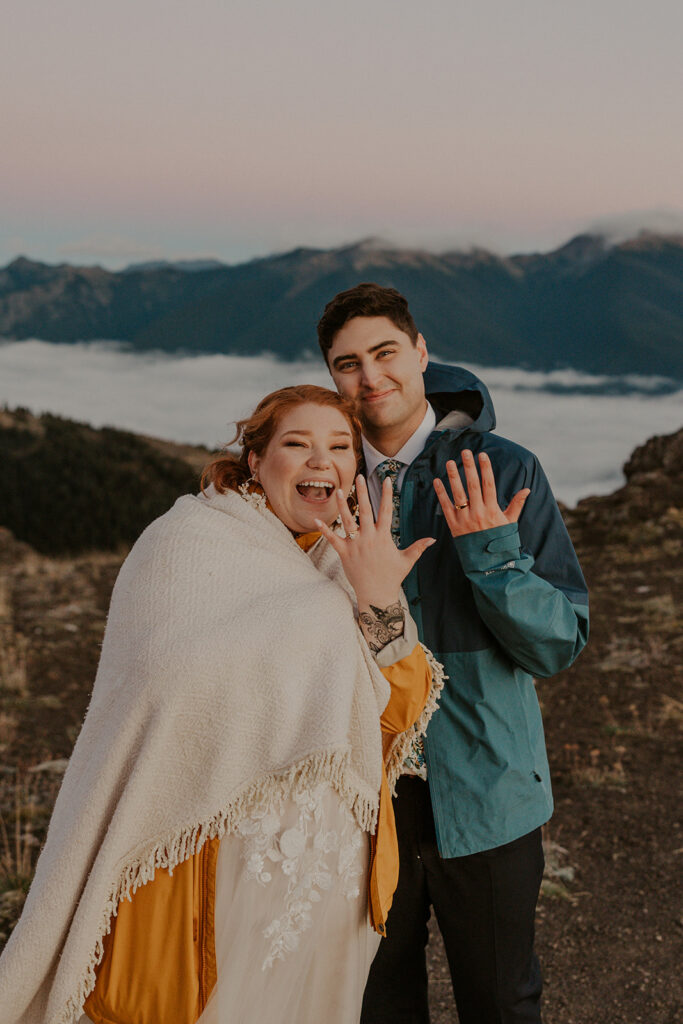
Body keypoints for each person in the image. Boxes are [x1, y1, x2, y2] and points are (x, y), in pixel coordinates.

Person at [0, 385, 445, 1024]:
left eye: (341, 447)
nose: (323, 460)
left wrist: (378, 600)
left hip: (324, 868)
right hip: (216, 849)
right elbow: (167, 680)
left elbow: (398, 711)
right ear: (256, 460)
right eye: (298, 444)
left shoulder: (344, 559)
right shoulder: (187, 540)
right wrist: (316, 623)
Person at [317, 285, 590, 1024]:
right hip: (362, 798)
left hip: (489, 790)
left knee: (500, 1000)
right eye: (347, 364)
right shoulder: (324, 482)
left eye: (384, 354)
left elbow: (558, 643)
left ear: (421, 354)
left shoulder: (505, 469)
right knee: (372, 1001)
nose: (369, 378)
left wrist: (492, 561)